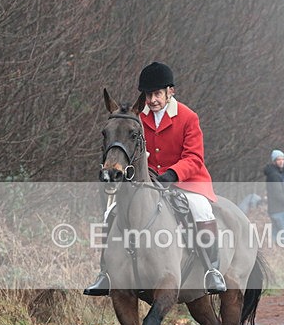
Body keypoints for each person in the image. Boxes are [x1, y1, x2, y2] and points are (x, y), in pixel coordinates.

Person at [84, 61, 226, 295]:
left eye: (157, 93)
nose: (152, 100)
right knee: (110, 211)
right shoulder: (137, 118)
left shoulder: (188, 117)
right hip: (148, 181)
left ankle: (212, 270)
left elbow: (194, 157)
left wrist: (172, 174)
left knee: (200, 209)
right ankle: (105, 274)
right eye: (148, 94)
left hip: (186, 180)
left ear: (171, 91)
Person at [263, 149, 284, 240]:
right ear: (274, 161)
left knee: (275, 235)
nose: (281, 161)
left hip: (274, 209)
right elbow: (278, 194)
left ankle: (274, 252)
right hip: (280, 209)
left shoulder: (275, 173)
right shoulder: (275, 175)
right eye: (278, 159)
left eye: (282, 159)